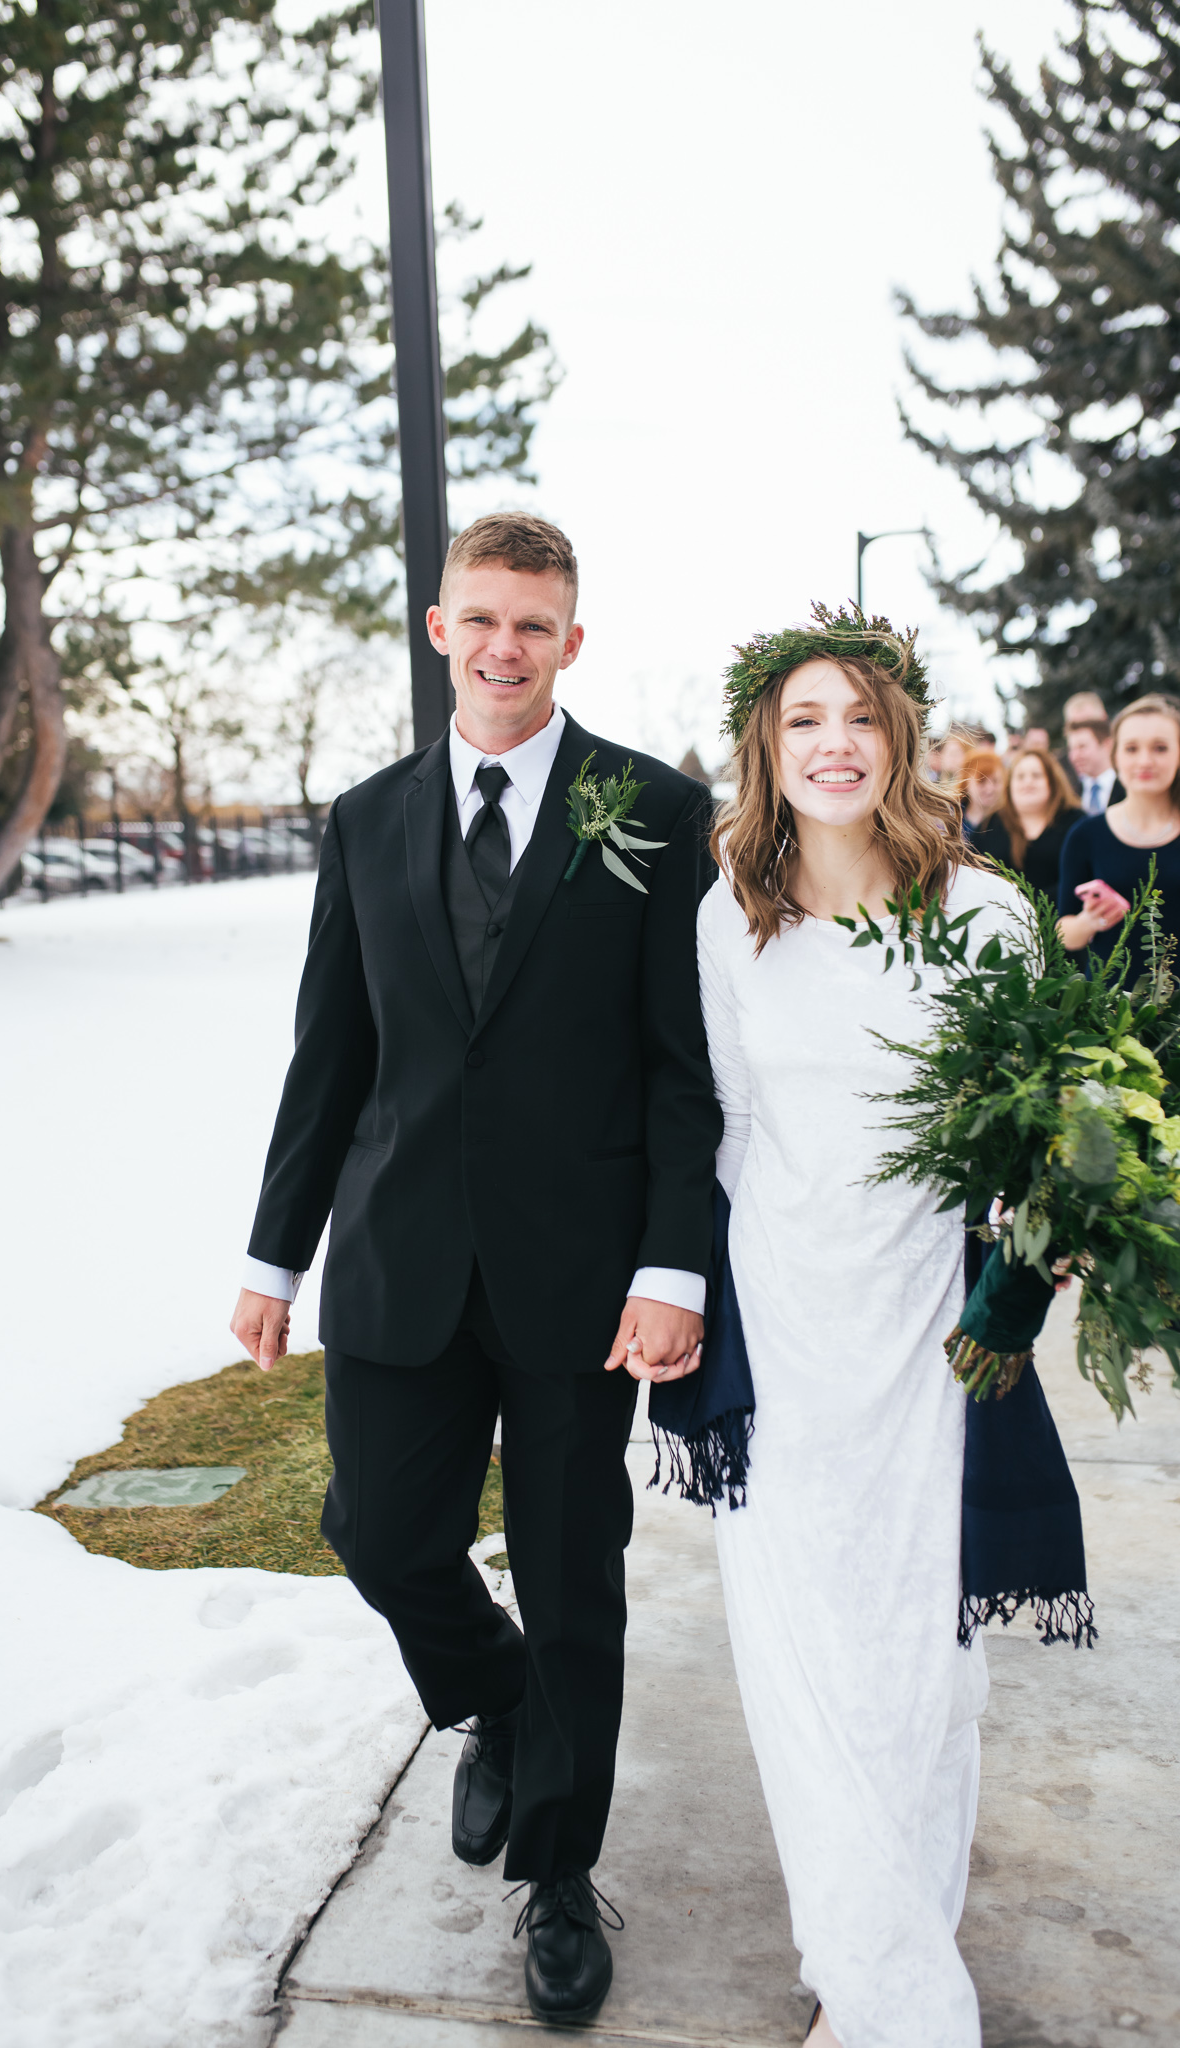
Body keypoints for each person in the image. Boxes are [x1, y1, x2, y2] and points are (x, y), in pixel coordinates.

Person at [229, 513, 720, 2027]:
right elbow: (332, 1053)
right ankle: (497, 1703)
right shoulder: (363, 819)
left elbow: (680, 1072)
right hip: (394, 1257)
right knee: (379, 1534)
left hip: (582, 1278)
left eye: (535, 623)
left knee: (575, 1579)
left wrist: (672, 1269)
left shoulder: (652, 806)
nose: (505, 647)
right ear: (437, 627)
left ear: (573, 640)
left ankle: (559, 1877)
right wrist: (272, 1252)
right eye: (480, 618)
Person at [696, 611, 1023, 2047]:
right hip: (777, 1316)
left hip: (926, 1328)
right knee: (797, 1654)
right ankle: (861, 1962)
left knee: (918, 1658)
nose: (831, 744)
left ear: (895, 738)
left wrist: (1042, 1246)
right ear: (765, 747)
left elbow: (1040, 1141)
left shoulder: (985, 914)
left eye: (857, 718)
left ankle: (895, 1968)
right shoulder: (726, 913)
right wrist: (690, 1315)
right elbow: (727, 1124)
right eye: (800, 719)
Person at [1058, 692, 1180, 979]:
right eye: (1132, 748)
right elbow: (1064, 932)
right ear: (1115, 756)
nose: (1145, 760)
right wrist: (1089, 920)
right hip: (1108, 1012)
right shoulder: (1085, 835)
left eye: (1160, 748)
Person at [996, 746, 1081, 898]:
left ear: (1052, 781)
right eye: (1020, 776)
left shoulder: (1076, 823)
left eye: (1036, 775)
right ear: (1009, 785)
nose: (1028, 782)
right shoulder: (989, 827)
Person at [1064, 706, 1120, 813]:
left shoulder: (1128, 787)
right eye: (1071, 749)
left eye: (1082, 747)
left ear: (1107, 745)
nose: (1074, 756)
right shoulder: (1069, 794)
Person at [955, 747, 1008, 857]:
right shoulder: (949, 818)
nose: (990, 789)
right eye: (982, 781)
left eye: (995, 781)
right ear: (966, 781)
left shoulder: (1010, 822)